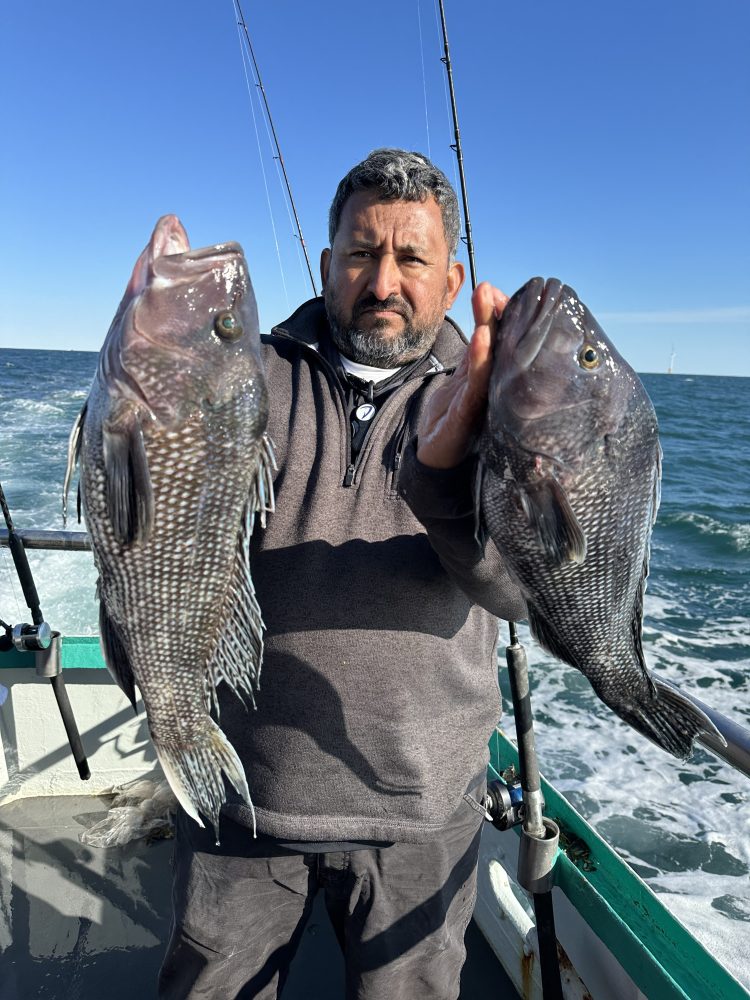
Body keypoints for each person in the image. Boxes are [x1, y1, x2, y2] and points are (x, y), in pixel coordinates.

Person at [158, 148, 526, 1000]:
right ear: (328, 264)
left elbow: (516, 590)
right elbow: (163, 538)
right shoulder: (241, 372)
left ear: (452, 276)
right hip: (242, 791)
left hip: (422, 809)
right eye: (361, 254)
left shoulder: (501, 400)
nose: (383, 280)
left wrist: (442, 478)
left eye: (411, 258)